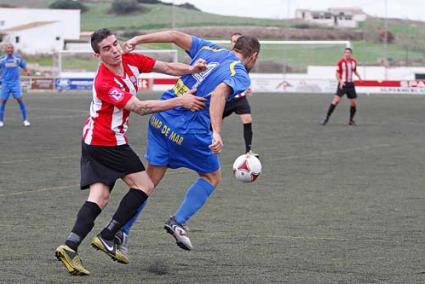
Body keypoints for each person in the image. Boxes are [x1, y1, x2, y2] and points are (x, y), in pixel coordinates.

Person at [54, 28, 207, 276]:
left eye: (115, 44)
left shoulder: (131, 59)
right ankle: (108, 235)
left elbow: (166, 68)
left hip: (95, 139)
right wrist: (180, 101)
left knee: (100, 197)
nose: (114, 50)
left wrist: (191, 69)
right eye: (106, 48)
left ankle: (70, 246)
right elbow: (140, 107)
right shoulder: (104, 82)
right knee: (145, 186)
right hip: (107, 142)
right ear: (98, 56)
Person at [116, 30, 260, 258]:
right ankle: (177, 221)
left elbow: (174, 35)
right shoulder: (240, 73)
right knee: (211, 176)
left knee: (148, 182)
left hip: (161, 118)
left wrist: (137, 40)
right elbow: (220, 93)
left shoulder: (209, 48)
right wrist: (217, 132)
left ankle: (120, 232)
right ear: (252, 56)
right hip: (188, 131)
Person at [222, 32, 257, 155]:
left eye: (238, 41)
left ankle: (249, 151)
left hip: (240, 98)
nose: (236, 43)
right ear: (231, 43)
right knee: (214, 125)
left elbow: (243, 75)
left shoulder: (246, 58)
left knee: (247, 120)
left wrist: (246, 87)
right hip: (226, 98)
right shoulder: (225, 57)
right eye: (233, 41)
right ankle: (208, 146)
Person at [321, 47, 361, 126]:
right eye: (346, 52)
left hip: (350, 85)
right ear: (344, 53)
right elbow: (337, 73)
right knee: (335, 101)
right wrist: (340, 81)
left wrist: (358, 76)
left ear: (351, 54)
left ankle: (351, 120)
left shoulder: (354, 61)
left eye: (348, 52)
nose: (347, 54)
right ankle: (326, 118)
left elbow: (354, 70)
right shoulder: (341, 62)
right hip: (343, 84)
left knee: (353, 103)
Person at [0, 43, 31, 127]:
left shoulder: (18, 58)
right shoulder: (2, 59)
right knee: (2, 101)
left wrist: (27, 71)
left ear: (13, 49)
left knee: (20, 100)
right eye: (8, 48)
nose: (10, 49)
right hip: (5, 83)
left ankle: (25, 120)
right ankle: (1, 121)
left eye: (11, 48)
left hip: (15, 83)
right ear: (5, 50)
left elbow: (24, 66)